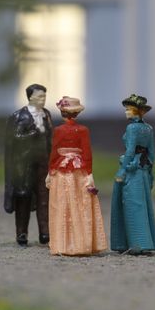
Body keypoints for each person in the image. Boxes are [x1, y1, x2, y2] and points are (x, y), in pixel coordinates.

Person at [45, 96, 107, 256]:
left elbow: (54, 152)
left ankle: (63, 243)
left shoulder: (58, 130)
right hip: (79, 170)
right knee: (80, 203)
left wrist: (50, 171)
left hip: (62, 170)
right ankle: (82, 242)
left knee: (62, 203)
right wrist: (89, 172)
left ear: (62, 112)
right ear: (77, 113)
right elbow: (87, 153)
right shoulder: (83, 130)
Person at [110, 94, 155, 255]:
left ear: (136, 111)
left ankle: (136, 243)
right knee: (142, 204)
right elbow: (151, 152)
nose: (126, 112)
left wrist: (122, 170)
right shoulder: (148, 128)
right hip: (143, 169)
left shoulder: (132, 128)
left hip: (132, 169)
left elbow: (130, 151)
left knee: (131, 204)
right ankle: (143, 242)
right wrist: (150, 172)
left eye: (128, 109)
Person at [4, 83, 52, 247]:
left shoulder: (46, 114)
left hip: (43, 161)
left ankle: (45, 231)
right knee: (23, 197)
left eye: (44, 96)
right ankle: (22, 233)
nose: (43, 99)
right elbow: (14, 138)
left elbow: (50, 138)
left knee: (44, 196)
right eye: (40, 96)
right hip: (24, 163)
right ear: (31, 97)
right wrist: (31, 134)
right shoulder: (19, 116)